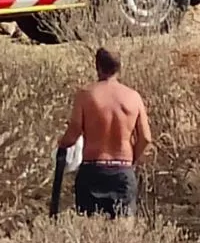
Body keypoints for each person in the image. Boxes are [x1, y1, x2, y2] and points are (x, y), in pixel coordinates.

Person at [57, 47, 152, 219]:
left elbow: (73, 133)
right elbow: (146, 137)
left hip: (92, 170)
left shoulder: (86, 95)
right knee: (124, 233)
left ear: (97, 66)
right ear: (119, 67)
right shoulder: (133, 97)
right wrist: (131, 160)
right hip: (122, 170)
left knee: (90, 229)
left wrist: (61, 144)